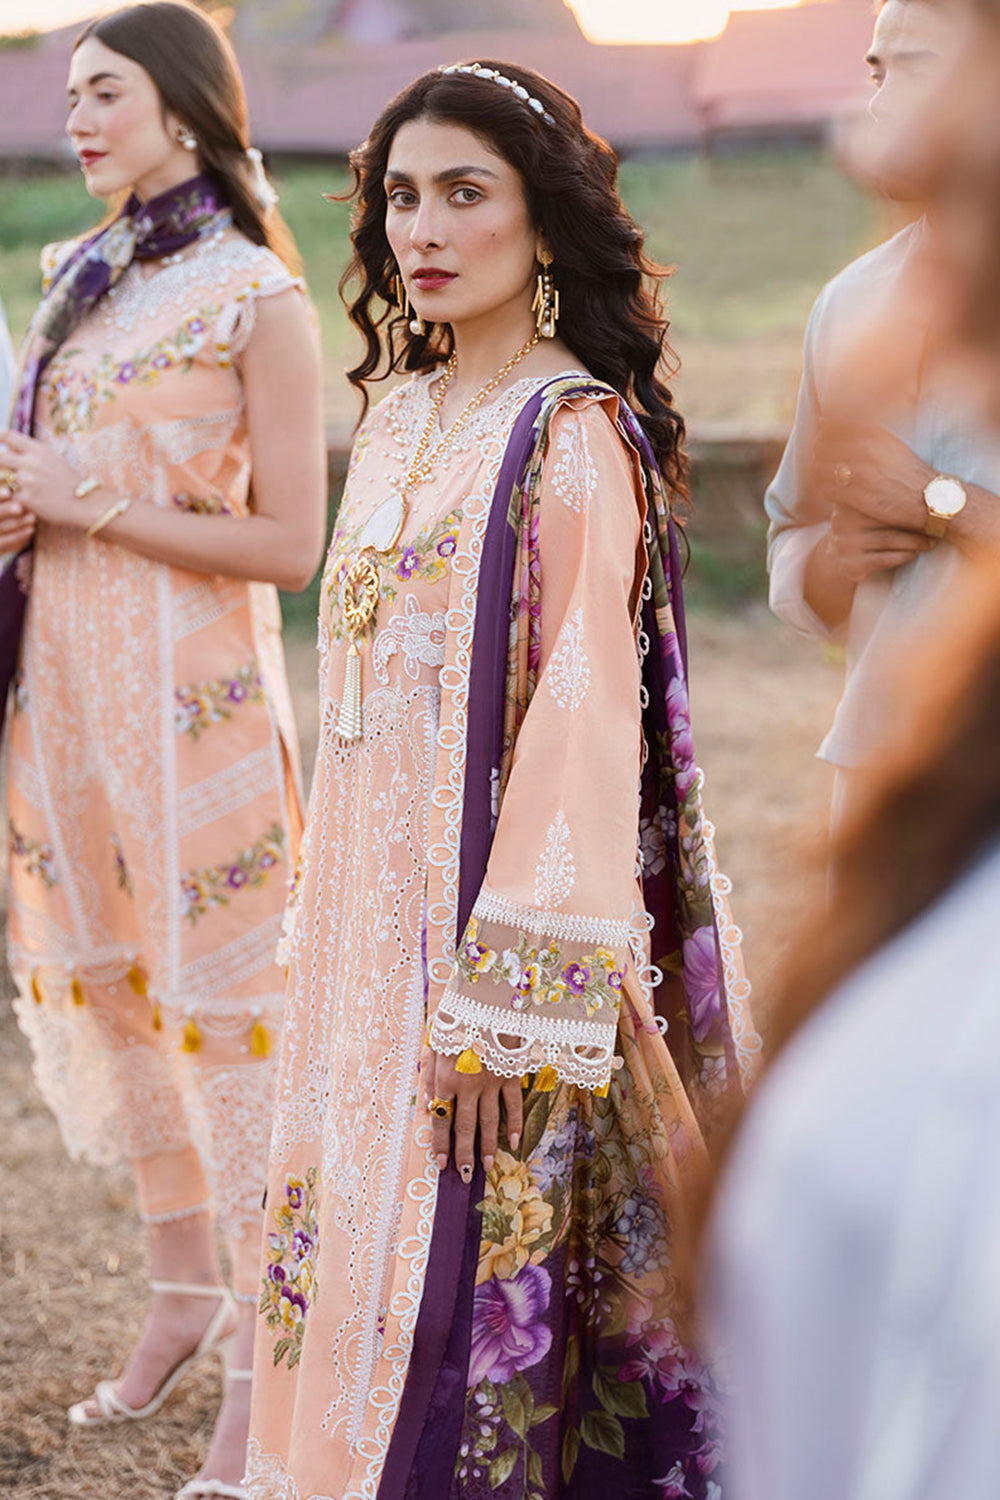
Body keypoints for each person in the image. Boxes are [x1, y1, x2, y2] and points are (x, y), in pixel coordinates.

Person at [245, 59, 756, 1500]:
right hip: (352, 925)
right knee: (345, 1246)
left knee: (470, 1294)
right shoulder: (400, 410)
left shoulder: (570, 436)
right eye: (404, 196)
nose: (425, 227)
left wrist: (501, 1009)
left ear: (543, 221)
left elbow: (581, 725)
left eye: (466, 192)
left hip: (484, 954)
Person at [0, 4, 326, 1497]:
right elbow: (45, 481)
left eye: (105, 93)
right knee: (118, 990)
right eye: (69, 95)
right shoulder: (75, 277)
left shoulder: (256, 295)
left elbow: (291, 544)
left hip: (191, 713)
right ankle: (182, 1289)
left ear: (186, 106)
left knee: (228, 1019)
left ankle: (266, 1365)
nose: (77, 120)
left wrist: (92, 500)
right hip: (60, 697)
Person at [764, 0, 1000, 821]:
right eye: (876, 68)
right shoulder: (851, 302)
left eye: (919, 67)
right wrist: (838, 558)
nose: (880, 101)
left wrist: (947, 507)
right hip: (883, 785)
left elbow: (933, 504)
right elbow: (794, 538)